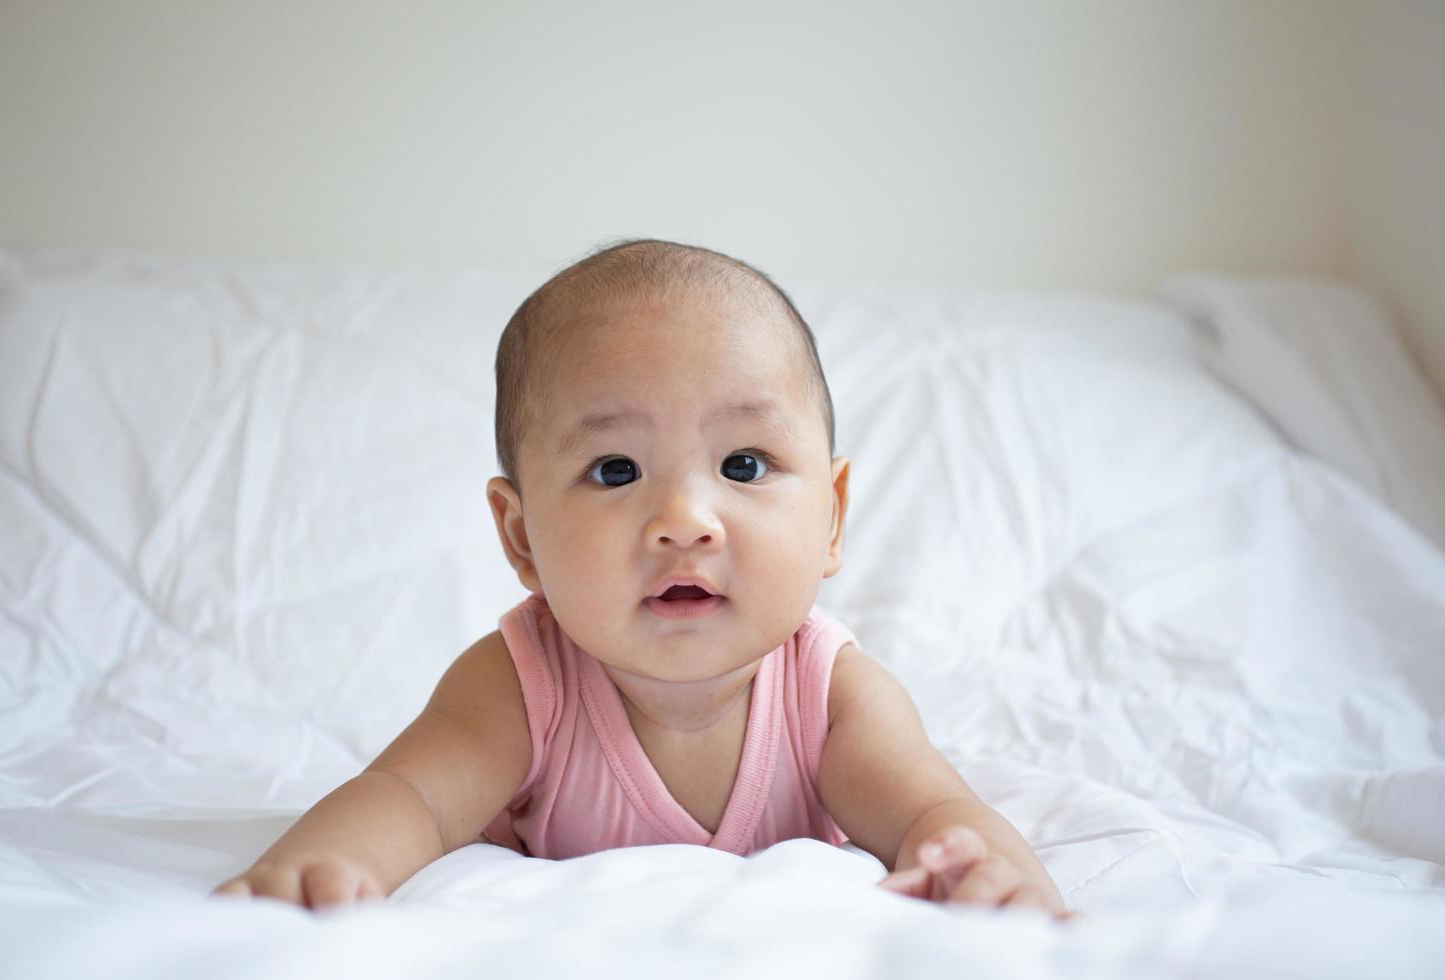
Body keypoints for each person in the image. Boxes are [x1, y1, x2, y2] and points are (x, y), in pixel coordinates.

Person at [214, 239, 1069, 919]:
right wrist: (324, 866)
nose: (685, 518)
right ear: (521, 539)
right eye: (616, 470)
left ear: (833, 518)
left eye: (744, 463)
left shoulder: (830, 694)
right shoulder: (522, 683)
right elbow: (409, 797)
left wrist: (979, 869)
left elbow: (929, 812)